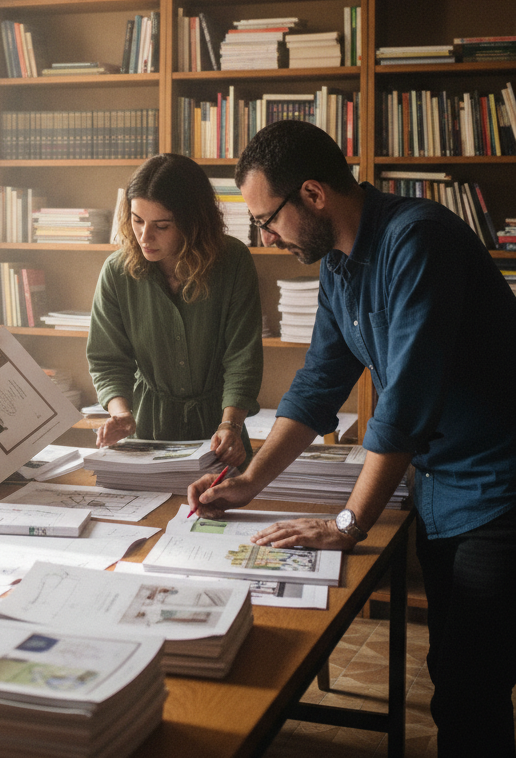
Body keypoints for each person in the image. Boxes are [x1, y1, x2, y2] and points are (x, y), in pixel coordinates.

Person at [187, 119, 516, 757]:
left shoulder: (418, 240)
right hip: (445, 488)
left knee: (471, 689)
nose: (265, 236)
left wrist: (347, 524)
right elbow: (318, 385)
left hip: (501, 487)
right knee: (453, 676)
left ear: (312, 195)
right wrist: (250, 481)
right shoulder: (338, 263)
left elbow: (408, 399)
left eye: (266, 219)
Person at [87, 153, 263, 468]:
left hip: (220, 432)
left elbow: (242, 358)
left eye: (162, 225)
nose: (144, 236)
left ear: (192, 222)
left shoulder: (233, 261)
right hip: (146, 431)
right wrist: (121, 415)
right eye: (137, 220)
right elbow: (107, 360)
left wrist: (231, 425)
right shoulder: (116, 272)